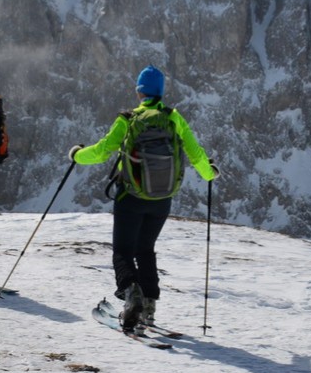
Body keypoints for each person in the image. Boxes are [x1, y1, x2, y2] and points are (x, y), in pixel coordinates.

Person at [69, 64, 216, 331]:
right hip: (162, 199)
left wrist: (77, 155)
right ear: (160, 93)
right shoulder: (174, 118)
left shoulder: (127, 119)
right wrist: (209, 173)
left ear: (139, 92)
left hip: (131, 196)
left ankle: (130, 292)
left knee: (123, 251)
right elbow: (195, 153)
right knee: (146, 250)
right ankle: (148, 306)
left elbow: (102, 152)